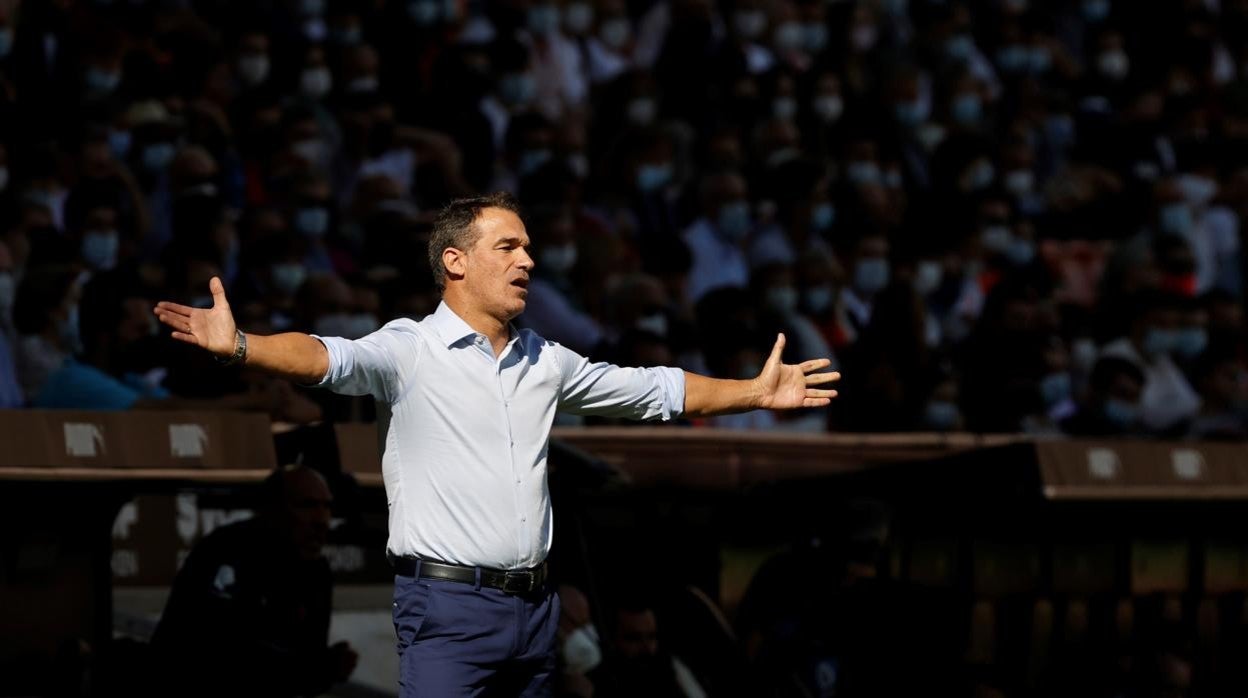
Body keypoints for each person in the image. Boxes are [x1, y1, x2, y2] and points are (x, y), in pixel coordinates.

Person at [153, 191, 840, 697]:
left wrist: (752, 393)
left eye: (528, 248)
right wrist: (242, 346)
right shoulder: (410, 348)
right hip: (448, 609)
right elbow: (325, 357)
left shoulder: (546, 358)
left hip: (535, 613)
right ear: (454, 261)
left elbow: (650, 389)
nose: (528, 260)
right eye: (507, 247)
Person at [149, 465, 358, 697]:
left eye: (327, 506)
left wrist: (326, 668)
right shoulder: (228, 550)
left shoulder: (315, 571)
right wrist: (317, 668)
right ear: (273, 509)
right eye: (307, 505)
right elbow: (220, 656)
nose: (322, 519)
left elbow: (304, 672)